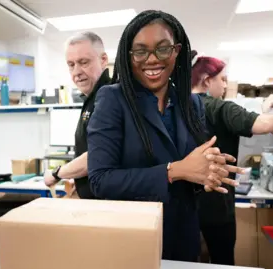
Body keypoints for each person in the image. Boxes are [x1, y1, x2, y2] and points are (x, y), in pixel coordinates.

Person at [86, 10, 243, 262]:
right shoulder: (113, 100)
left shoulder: (192, 104)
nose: (151, 59)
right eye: (140, 51)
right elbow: (100, 180)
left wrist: (208, 173)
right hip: (134, 239)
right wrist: (174, 170)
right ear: (128, 55)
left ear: (176, 51)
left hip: (184, 237)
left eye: (162, 49)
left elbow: (194, 169)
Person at [190, 51, 273, 265]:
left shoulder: (174, 110)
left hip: (185, 207)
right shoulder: (220, 107)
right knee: (222, 260)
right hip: (217, 205)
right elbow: (262, 125)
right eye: (222, 79)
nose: (224, 85)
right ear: (206, 80)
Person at [44, 32, 110, 199]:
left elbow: (97, 155)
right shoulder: (93, 97)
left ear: (103, 60)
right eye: (71, 65)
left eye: (84, 62)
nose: (77, 71)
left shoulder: (108, 97)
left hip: (106, 204)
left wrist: (57, 173)